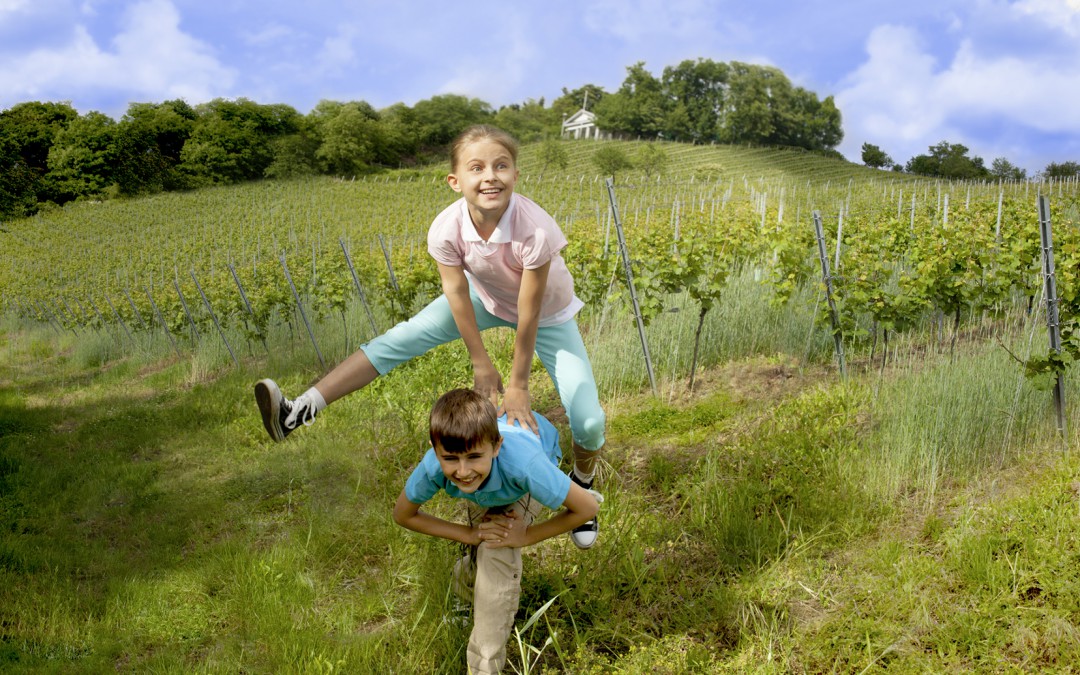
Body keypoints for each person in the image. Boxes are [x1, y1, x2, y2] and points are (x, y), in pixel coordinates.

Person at [255, 124, 606, 547]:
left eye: (501, 165)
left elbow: (528, 311)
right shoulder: (446, 228)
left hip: (546, 315)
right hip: (483, 298)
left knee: (588, 419)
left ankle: (581, 482)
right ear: (455, 181)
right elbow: (456, 291)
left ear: (515, 174)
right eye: (477, 168)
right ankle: (299, 410)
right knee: (399, 339)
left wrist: (517, 384)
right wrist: (481, 362)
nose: (490, 175)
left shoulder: (535, 229)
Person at [393, 389, 600, 675]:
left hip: (523, 470)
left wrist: (524, 535)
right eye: (450, 458)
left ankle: (483, 668)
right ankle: (465, 591)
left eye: (473, 456)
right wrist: (468, 534)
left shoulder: (526, 466)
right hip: (490, 482)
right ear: (434, 448)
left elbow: (587, 508)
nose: (463, 471)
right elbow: (403, 514)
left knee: (497, 547)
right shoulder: (434, 466)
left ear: (496, 446)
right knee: (483, 543)